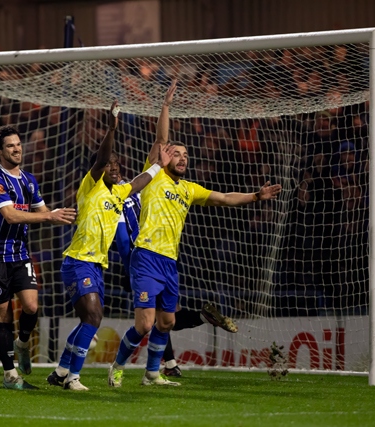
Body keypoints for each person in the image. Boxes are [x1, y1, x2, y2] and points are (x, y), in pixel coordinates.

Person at [108, 80, 282, 387]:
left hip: (169, 262)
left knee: (168, 321)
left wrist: (256, 196)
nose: (182, 158)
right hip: (146, 255)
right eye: (176, 153)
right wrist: (165, 106)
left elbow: (225, 198)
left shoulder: (189, 189)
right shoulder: (156, 175)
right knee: (145, 324)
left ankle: (152, 374)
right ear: (164, 157)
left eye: (185, 154)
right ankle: (117, 367)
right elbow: (162, 137)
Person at [46, 98, 174, 391]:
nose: (114, 168)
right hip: (78, 260)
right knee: (93, 317)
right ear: (101, 169)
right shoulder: (90, 187)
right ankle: (73, 379)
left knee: (87, 323)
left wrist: (157, 166)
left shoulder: (119, 193)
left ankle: (61, 372)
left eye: (118, 165)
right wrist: (112, 128)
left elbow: (140, 181)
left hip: (96, 265)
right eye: (110, 166)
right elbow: (102, 159)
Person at [0, 125, 77, 390]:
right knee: (3, 314)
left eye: (18, 144)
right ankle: (10, 375)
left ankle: (22, 344)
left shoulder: (29, 180)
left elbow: (43, 211)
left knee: (31, 307)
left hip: (20, 253)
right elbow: (10, 215)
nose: (17, 148)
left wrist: (63, 215)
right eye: (10, 145)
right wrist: (48, 215)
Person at [113, 172, 238, 378]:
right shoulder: (144, 187)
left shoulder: (116, 197)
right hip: (161, 255)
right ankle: (171, 360)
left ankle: (130, 367)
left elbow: (123, 241)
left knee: (157, 320)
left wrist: (130, 269)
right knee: (164, 319)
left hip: (143, 259)